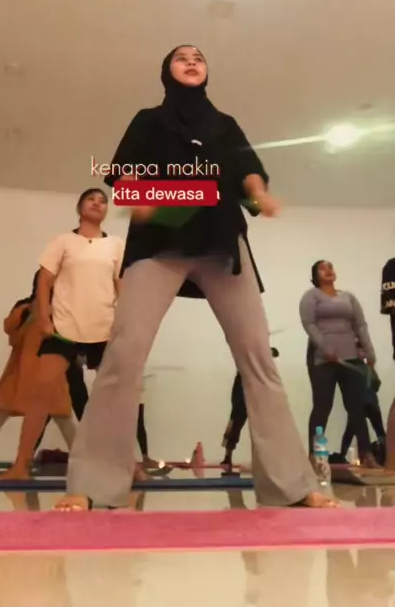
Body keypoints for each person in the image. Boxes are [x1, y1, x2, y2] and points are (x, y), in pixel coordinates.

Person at [56, 45, 335, 511]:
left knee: (258, 358)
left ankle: (291, 486)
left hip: (222, 242)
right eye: (181, 57)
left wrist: (260, 196)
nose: (191, 61)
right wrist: (141, 197)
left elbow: (248, 173)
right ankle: (91, 485)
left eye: (199, 58)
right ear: (166, 71)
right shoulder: (149, 120)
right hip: (159, 241)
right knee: (123, 354)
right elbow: (122, 175)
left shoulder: (224, 124)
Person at [0, 188, 124, 480]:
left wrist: (125, 322)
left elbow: (122, 285)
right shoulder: (63, 241)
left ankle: (130, 465)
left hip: (104, 328)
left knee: (117, 399)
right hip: (64, 327)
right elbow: (44, 282)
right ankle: (21, 465)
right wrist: (44, 318)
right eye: (91, 199)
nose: (97, 203)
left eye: (103, 201)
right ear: (79, 208)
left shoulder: (116, 245)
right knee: (41, 395)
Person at [0, 272, 77, 469]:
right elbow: (11, 329)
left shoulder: (64, 309)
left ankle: (84, 462)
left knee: (63, 416)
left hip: (49, 371)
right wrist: (32, 311)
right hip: (21, 370)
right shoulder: (25, 307)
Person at [300, 260, 377, 468]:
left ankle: (367, 455)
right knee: (322, 405)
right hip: (322, 359)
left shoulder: (348, 297)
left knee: (356, 406)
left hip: (350, 358)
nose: (328, 270)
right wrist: (325, 348)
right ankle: (314, 455)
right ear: (315, 275)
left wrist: (369, 352)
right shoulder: (311, 296)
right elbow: (309, 324)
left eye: (331, 266)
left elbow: (360, 325)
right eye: (323, 268)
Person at [221, 347, 280, 471]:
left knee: (257, 425)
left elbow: (274, 353)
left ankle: (260, 458)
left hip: (254, 387)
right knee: (236, 421)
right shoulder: (246, 351)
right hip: (243, 387)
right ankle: (228, 456)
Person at [340, 342, 385, 463]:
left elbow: (376, 384)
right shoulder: (352, 368)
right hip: (359, 404)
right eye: (359, 351)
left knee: (379, 430)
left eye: (363, 351)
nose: (361, 354)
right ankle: (342, 456)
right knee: (350, 431)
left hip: (371, 403)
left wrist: (372, 369)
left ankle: (386, 454)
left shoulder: (368, 368)